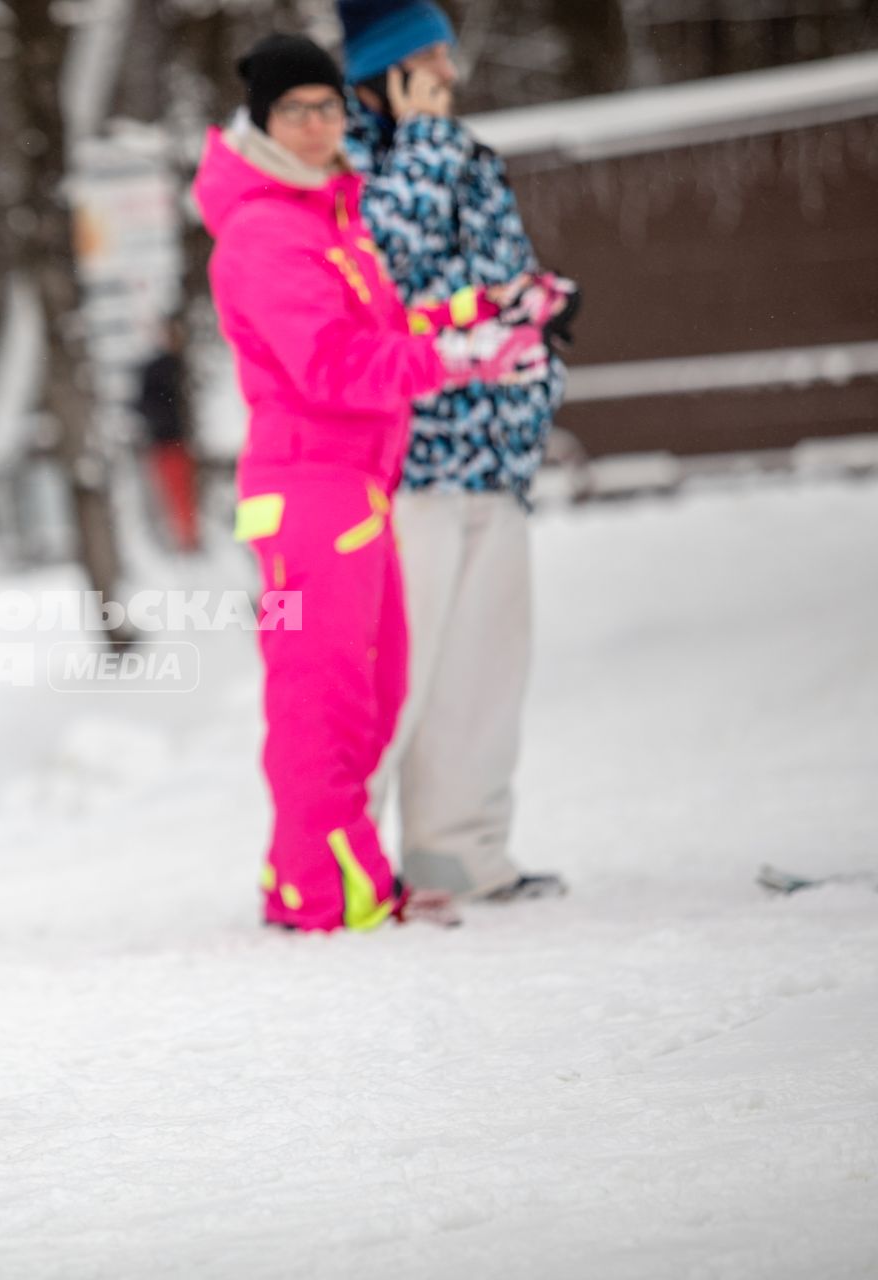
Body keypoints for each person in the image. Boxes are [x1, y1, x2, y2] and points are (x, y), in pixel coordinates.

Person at [192, 35, 549, 932]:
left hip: (352, 490)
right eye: (294, 111)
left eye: (326, 106)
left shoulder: (324, 213)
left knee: (373, 691)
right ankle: (326, 897)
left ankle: (327, 880)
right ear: (262, 121)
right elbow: (333, 364)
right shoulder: (264, 229)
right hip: (306, 498)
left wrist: (484, 311)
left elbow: (382, 321)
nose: (316, 126)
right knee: (324, 699)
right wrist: (461, 358)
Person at [337, 0, 574, 902]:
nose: (450, 71)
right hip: (410, 468)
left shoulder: (468, 156)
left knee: (483, 676)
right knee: (392, 679)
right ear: (387, 66)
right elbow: (381, 269)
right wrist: (424, 140)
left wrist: (543, 321)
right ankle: (344, 873)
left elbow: (496, 276)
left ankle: (461, 854)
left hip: (496, 456)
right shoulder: (348, 160)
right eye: (430, 56)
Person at [134, 315, 202, 553]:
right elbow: (143, 404)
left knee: (185, 494)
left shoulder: (179, 364)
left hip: (180, 440)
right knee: (175, 494)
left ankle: (187, 538)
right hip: (168, 441)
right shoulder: (158, 369)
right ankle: (183, 540)